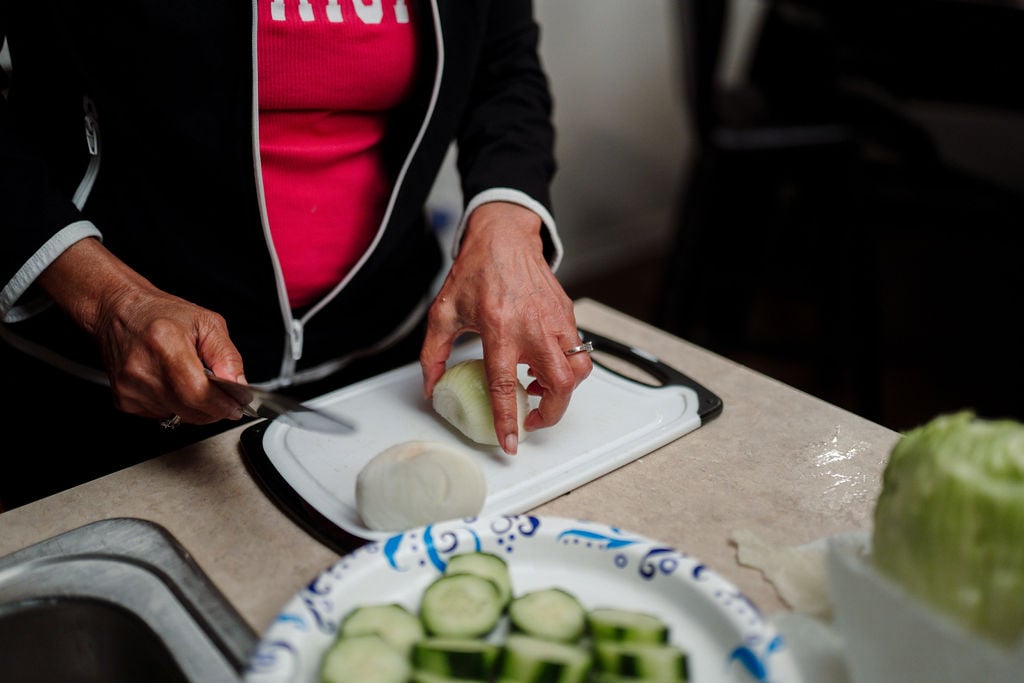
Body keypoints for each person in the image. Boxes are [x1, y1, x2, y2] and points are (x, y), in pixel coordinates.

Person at [0, 1, 592, 509]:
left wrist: (507, 222)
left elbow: (503, 66)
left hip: (389, 357)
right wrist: (108, 300)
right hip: (109, 376)